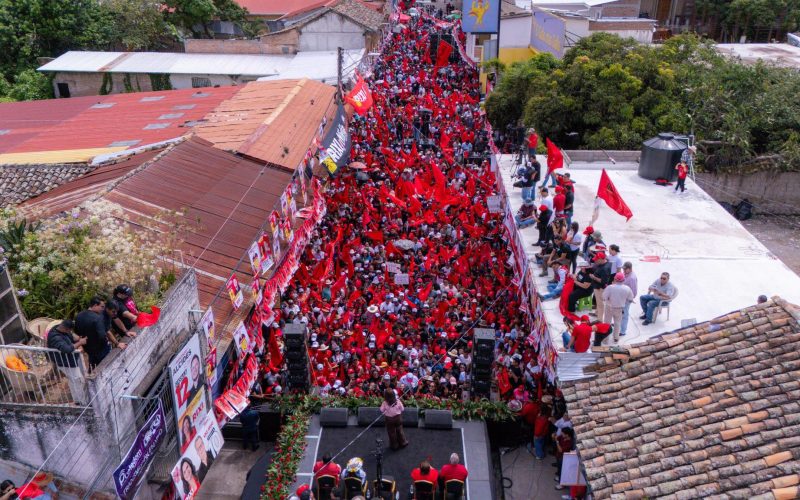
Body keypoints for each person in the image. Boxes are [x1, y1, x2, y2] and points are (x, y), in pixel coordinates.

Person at [46, 320, 87, 405]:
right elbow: (66, 349)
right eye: (70, 331)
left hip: (70, 360)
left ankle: (78, 401)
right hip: (66, 362)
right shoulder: (55, 337)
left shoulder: (59, 328)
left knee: (73, 380)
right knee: (78, 380)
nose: (71, 332)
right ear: (66, 329)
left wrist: (78, 339)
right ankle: (83, 402)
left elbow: (72, 336)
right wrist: (80, 342)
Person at [74, 296, 112, 370]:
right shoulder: (98, 318)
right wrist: (107, 342)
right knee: (104, 366)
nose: (103, 309)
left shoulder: (79, 315)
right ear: (95, 305)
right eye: (101, 307)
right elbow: (102, 335)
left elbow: (77, 332)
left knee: (92, 365)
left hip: (87, 347)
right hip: (99, 348)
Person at [602, 273, 633, 344]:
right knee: (617, 323)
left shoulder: (610, 287)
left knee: (607, 323)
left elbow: (603, 297)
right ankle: (616, 338)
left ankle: (606, 339)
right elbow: (630, 299)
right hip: (619, 308)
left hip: (609, 307)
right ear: (623, 280)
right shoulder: (627, 288)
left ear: (615, 279)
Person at [620, 262, 638, 337]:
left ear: (630, 269)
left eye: (625, 269)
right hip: (622, 297)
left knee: (625, 315)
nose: (623, 270)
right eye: (623, 269)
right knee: (621, 313)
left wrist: (630, 299)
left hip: (627, 299)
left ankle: (623, 331)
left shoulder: (632, 278)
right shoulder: (626, 274)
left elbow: (634, 291)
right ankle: (619, 325)